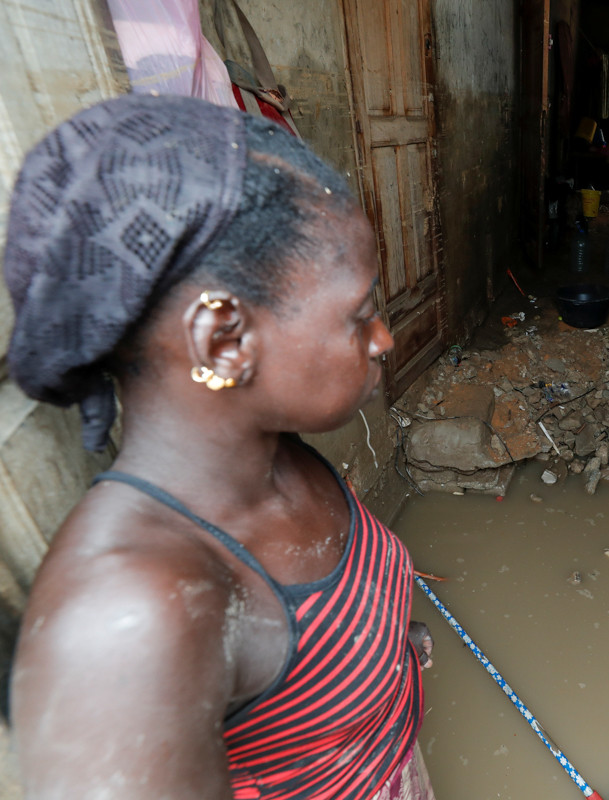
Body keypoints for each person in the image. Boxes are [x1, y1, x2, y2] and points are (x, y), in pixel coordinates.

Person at [4, 94, 436, 799]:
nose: (381, 339)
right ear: (224, 340)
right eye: (359, 316)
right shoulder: (129, 619)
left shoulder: (272, 453)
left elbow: (317, 646)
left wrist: (386, 650)